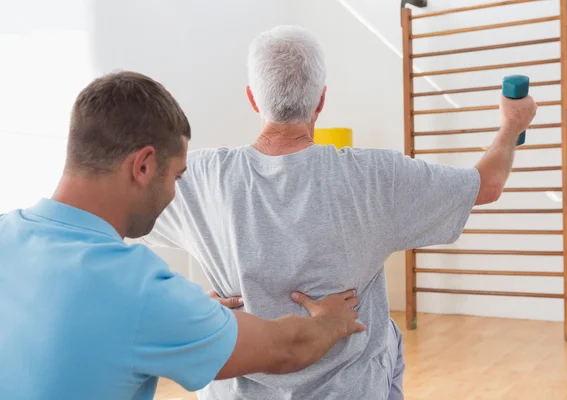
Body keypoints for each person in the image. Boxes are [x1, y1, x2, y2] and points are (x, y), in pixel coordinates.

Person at [143, 26, 538, 400]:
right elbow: (486, 184)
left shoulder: (196, 176)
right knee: (388, 335)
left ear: (252, 99)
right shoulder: (376, 176)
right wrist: (510, 125)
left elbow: (108, 214)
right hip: (349, 388)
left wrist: (187, 304)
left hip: (233, 391)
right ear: (320, 100)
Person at [0, 71, 367, 400]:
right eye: (177, 176)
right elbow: (285, 349)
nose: (174, 193)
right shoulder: (138, 289)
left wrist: (188, 317)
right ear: (143, 166)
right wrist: (331, 321)